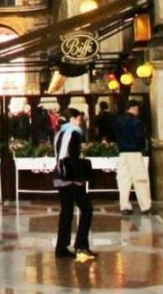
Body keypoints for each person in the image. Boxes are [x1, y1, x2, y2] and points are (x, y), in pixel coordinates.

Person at [54, 107, 95, 262]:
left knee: (66, 212)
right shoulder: (74, 133)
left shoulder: (59, 133)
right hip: (71, 178)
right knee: (87, 209)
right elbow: (73, 157)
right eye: (79, 119)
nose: (80, 122)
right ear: (72, 119)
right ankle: (81, 245)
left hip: (60, 176)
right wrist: (77, 177)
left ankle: (61, 248)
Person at [115, 100, 153, 215]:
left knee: (123, 181)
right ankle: (145, 206)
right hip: (135, 153)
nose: (138, 111)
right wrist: (143, 147)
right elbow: (140, 138)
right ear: (133, 108)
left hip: (122, 154)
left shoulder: (118, 121)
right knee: (140, 180)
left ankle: (124, 206)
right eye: (137, 108)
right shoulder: (137, 122)